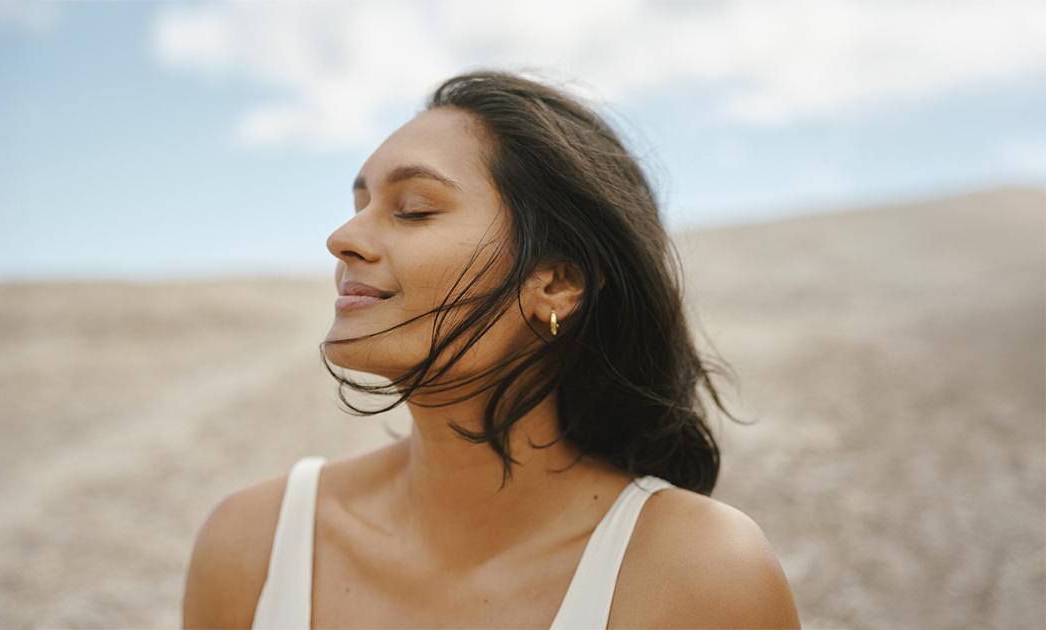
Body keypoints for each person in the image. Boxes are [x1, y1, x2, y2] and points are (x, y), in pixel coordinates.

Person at [182, 69, 801, 629]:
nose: (342, 238)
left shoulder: (702, 574)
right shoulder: (252, 542)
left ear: (556, 282)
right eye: (360, 205)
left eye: (415, 210)